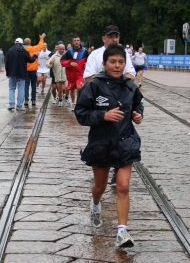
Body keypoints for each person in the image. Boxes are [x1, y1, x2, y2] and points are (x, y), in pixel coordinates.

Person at [75, 43, 144, 247]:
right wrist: (103, 115)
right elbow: (81, 114)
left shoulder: (130, 86)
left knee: (123, 186)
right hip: (101, 143)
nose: (117, 66)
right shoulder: (94, 86)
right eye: (112, 62)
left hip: (125, 142)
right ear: (104, 64)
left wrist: (138, 115)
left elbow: (138, 104)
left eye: (121, 62)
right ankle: (95, 204)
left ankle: (122, 231)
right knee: (100, 186)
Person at [84, 25, 136, 185]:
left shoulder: (124, 54)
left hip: (120, 103)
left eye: (116, 36)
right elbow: (88, 78)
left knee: (121, 137)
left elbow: (131, 75)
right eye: (111, 36)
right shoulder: (95, 55)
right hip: (101, 104)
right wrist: (106, 83)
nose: (114, 39)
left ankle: (117, 169)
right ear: (103, 38)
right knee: (104, 138)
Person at [5, 37, 39, 111]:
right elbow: (30, 60)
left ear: (15, 43)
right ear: (22, 44)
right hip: (22, 73)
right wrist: (35, 56)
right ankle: (19, 105)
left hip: (12, 73)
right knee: (21, 89)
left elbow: (7, 63)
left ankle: (11, 104)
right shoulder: (24, 51)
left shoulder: (10, 51)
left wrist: (7, 73)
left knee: (11, 88)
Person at [60, 35, 89, 111]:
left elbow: (89, 60)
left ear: (80, 41)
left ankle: (78, 103)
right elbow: (62, 61)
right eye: (75, 40)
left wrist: (86, 64)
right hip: (71, 74)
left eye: (78, 40)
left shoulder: (85, 51)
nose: (76, 42)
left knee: (79, 87)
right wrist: (70, 63)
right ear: (73, 42)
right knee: (72, 89)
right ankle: (73, 104)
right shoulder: (69, 52)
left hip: (80, 74)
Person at [23, 33, 46, 106]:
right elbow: (40, 46)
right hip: (33, 70)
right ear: (30, 43)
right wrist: (41, 38)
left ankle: (26, 99)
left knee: (26, 85)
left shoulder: (23, 49)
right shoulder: (33, 48)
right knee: (33, 85)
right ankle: (33, 100)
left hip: (25, 70)